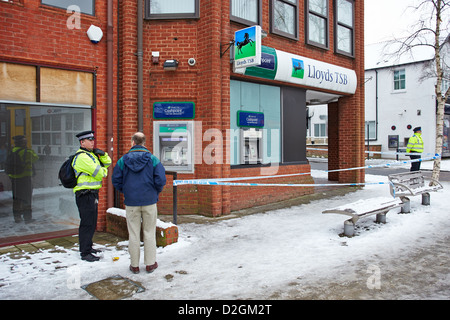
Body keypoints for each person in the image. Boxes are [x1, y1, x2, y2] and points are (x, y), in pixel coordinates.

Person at [112, 132, 166, 274]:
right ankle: (150, 264)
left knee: (133, 234)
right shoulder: (153, 159)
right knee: (149, 232)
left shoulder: (123, 160)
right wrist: (155, 192)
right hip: (149, 201)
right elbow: (161, 179)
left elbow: (116, 180)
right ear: (144, 143)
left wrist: (126, 191)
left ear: (132, 142)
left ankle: (134, 265)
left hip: (131, 202)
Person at [73, 130, 111, 262]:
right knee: (87, 223)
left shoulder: (91, 155)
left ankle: (89, 247)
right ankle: (85, 252)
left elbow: (108, 162)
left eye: (93, 140)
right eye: (89, 140)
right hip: (85, 194)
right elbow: (100, 173)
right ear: (82, 142)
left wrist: (103, 154)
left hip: (92, 193)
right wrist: (103, 170)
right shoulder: (82, 157)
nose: (92, 142)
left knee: (92, 222)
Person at [6, 136, 38, 223]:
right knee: (26, 198)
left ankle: (17, 217)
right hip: (25, 178)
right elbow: (35, 158)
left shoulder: (13, 151)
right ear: (23, 143)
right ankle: (27, 217)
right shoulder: (27, 152)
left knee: (16, 199)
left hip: (14, 179)